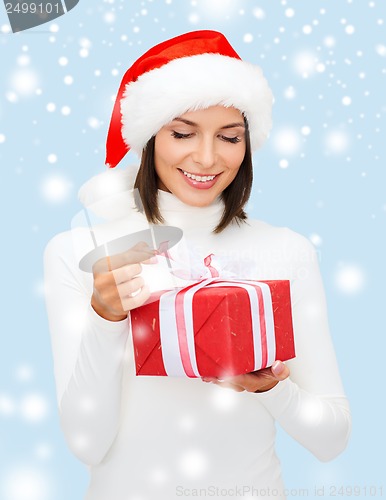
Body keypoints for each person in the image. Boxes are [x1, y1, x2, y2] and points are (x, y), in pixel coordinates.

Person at [44, 30, 351, 500]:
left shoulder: (286, 250)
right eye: (182, 133)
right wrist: (106, 318)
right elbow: (87, 444)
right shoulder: (81, 250)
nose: (207, 158)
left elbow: (331, 439)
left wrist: (270, 389)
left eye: (229, 137)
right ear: (149, 137)